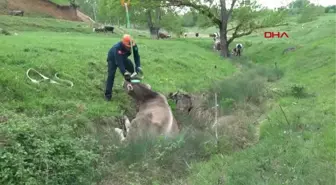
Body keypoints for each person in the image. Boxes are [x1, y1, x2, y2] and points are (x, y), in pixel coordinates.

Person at [104, 34, 142, 101]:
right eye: (128, 47)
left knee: (132, 68)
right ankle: (108, 95)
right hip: (112, 59)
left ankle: (133, 88)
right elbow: (119, 63)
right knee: (111, 75)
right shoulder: (118, 48)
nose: (130, 48)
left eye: (131, 46)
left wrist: (138, 67)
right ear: (124, 44)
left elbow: (136, 57)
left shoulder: (134, 46)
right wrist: (124, 72)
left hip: (123, 58)